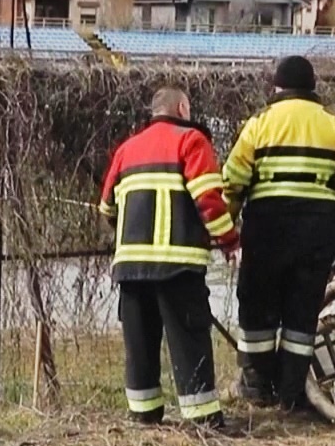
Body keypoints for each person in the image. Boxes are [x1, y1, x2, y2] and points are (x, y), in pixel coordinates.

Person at [222, 55, 335, 412]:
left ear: (277, 86)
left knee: (258, 305)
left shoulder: (259, 124)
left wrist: (225, 228)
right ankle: (292, 394)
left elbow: (233, 180)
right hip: (317, 227)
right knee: (302, 309)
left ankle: (257, 386)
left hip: (267, 224)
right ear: (312, 88)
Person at [98, 87, 239, 428]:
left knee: (140, 345)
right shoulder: (191, 141)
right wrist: (230, 242)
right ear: (182, 107)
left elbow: (106, 207)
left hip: (131, 268)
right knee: (189, 340)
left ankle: (143, 414)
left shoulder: (127, 149)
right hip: (178, 267)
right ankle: (203, 420)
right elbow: (208, 199)